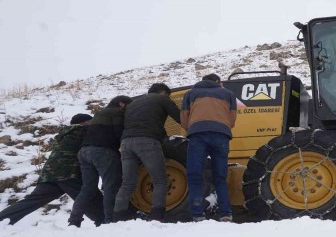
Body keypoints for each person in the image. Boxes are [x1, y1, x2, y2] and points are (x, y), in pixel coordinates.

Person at [0, 114, 105, 225]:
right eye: (91, 121)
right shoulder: (84, 131)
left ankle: (3, 219)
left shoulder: (66, 134)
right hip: (68, 174)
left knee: (31, 201)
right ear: (84, 123)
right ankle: (106, 222)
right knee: (93, 199)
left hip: (49, 174)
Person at [113, 83, 180, 222]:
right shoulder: (162, 99)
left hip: (126, 143)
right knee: (160, 180)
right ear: (163, 92)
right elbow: (179, 117)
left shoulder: (133, 103)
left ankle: (118, 217)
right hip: (147, 141)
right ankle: (157, 217)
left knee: (127, 183)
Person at [68, 95, 132, 227]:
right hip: (103, 152)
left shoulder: (99, 113)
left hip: (84, 152)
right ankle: (110, 220)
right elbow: (120, 134)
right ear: (121, 104)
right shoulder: (117, 112)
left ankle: (74, 220)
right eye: (128, 106)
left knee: (87, 188)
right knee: (111, 186)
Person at [181, 74, 237, 222]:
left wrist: (193, 128)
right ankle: (225, 214)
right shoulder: (229, 94)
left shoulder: (190, 94)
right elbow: (232, 120)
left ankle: (198, 214)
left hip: (198, 135)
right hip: (221, 136)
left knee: (195, 177)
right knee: (220, 177)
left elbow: (184, 118)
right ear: (218, 82)